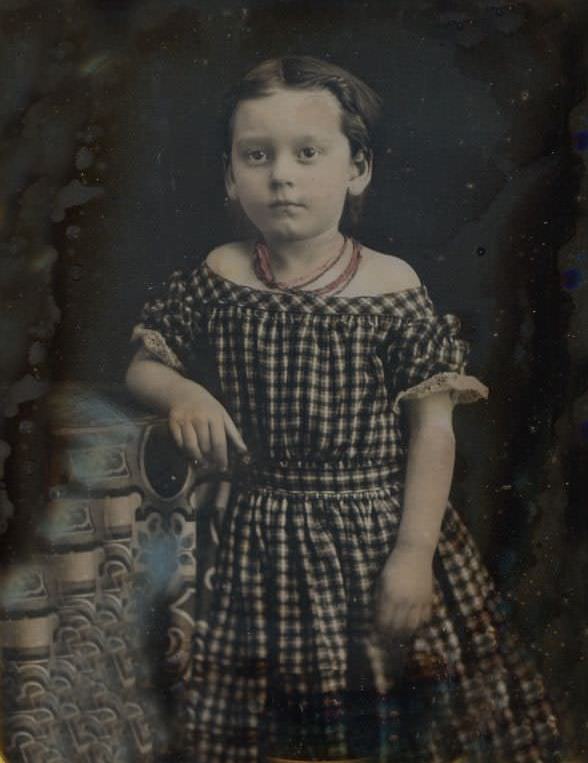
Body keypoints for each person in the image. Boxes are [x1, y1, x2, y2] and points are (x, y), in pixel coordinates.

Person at [125, 56, 562, 763]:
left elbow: (433, 429)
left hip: (371, 533)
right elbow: (143, 364)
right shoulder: (222, 273)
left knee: (392, 713)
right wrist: (182, 389)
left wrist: (414, 552)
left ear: (357, 169)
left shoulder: (390, 287)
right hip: (255, 534)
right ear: (231, 176)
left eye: (308, 153)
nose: (282, 176)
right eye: (257, 156)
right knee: (256, 721)